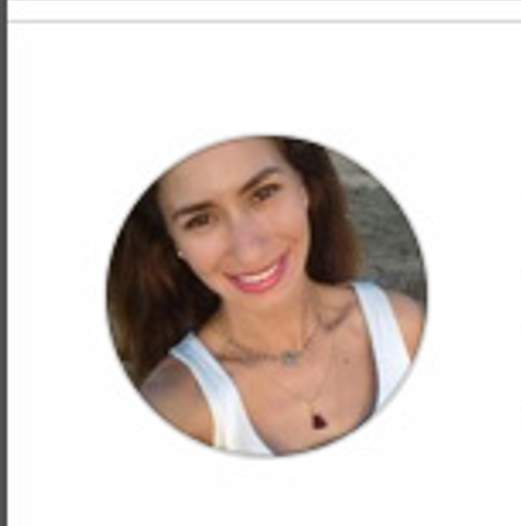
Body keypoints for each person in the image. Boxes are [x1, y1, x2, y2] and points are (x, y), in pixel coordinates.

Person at [113, 140, 422, 455]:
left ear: (305, 188)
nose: (249, 250)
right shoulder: (174, 409)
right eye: (201, 220)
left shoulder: (405, 329)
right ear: (173, 242)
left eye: (263, 194)